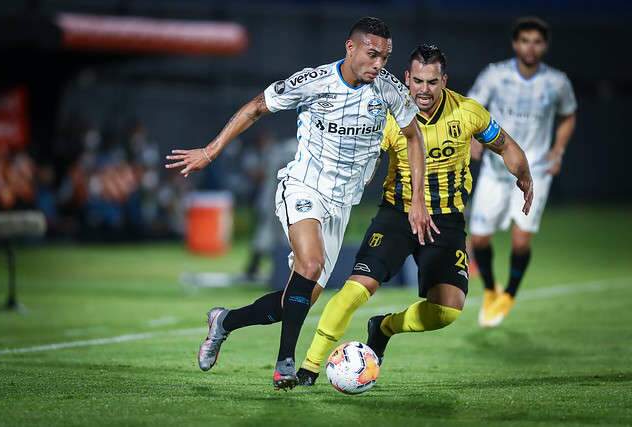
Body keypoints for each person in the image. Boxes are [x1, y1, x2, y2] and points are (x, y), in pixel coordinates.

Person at [165, 17, 431, 390]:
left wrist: (417, 198)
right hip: (303, 186)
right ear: (350, 48)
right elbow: (257, 106)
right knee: (310, 262)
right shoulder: (314, 81)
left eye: (385, 57)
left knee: (294, 300)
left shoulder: (389, 90)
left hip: (341, 206)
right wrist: (211, 151)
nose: (379, 64)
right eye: (372, 55)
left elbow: (413, 137)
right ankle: (284, 364)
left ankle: (223, 322)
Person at [296, 44, 533, 385]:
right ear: (407, 78)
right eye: (418, 81)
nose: (424, 89)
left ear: (444, 81)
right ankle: (309, 367)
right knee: (357, 286)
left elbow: (505, 144)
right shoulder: (388, 116)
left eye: (432, 82)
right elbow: (362, 156)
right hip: (398, 214)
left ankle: (384, 327)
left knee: (447, 310)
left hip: (446, 220)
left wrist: (523, 176)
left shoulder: (467, 112)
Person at [468, 17, 577, 327]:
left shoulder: (557, 82)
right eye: (525, 40)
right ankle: (490, 290)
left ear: (545, 46)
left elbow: (569, 115)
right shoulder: (495, 75)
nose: (531, 46)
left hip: (536, 172)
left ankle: (510, 294)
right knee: (478, 239)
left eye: (537, 41)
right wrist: (476, 140)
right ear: (515, 44)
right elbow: (472, 108)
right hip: (495, 168)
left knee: (520, 242)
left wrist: (558, 151)